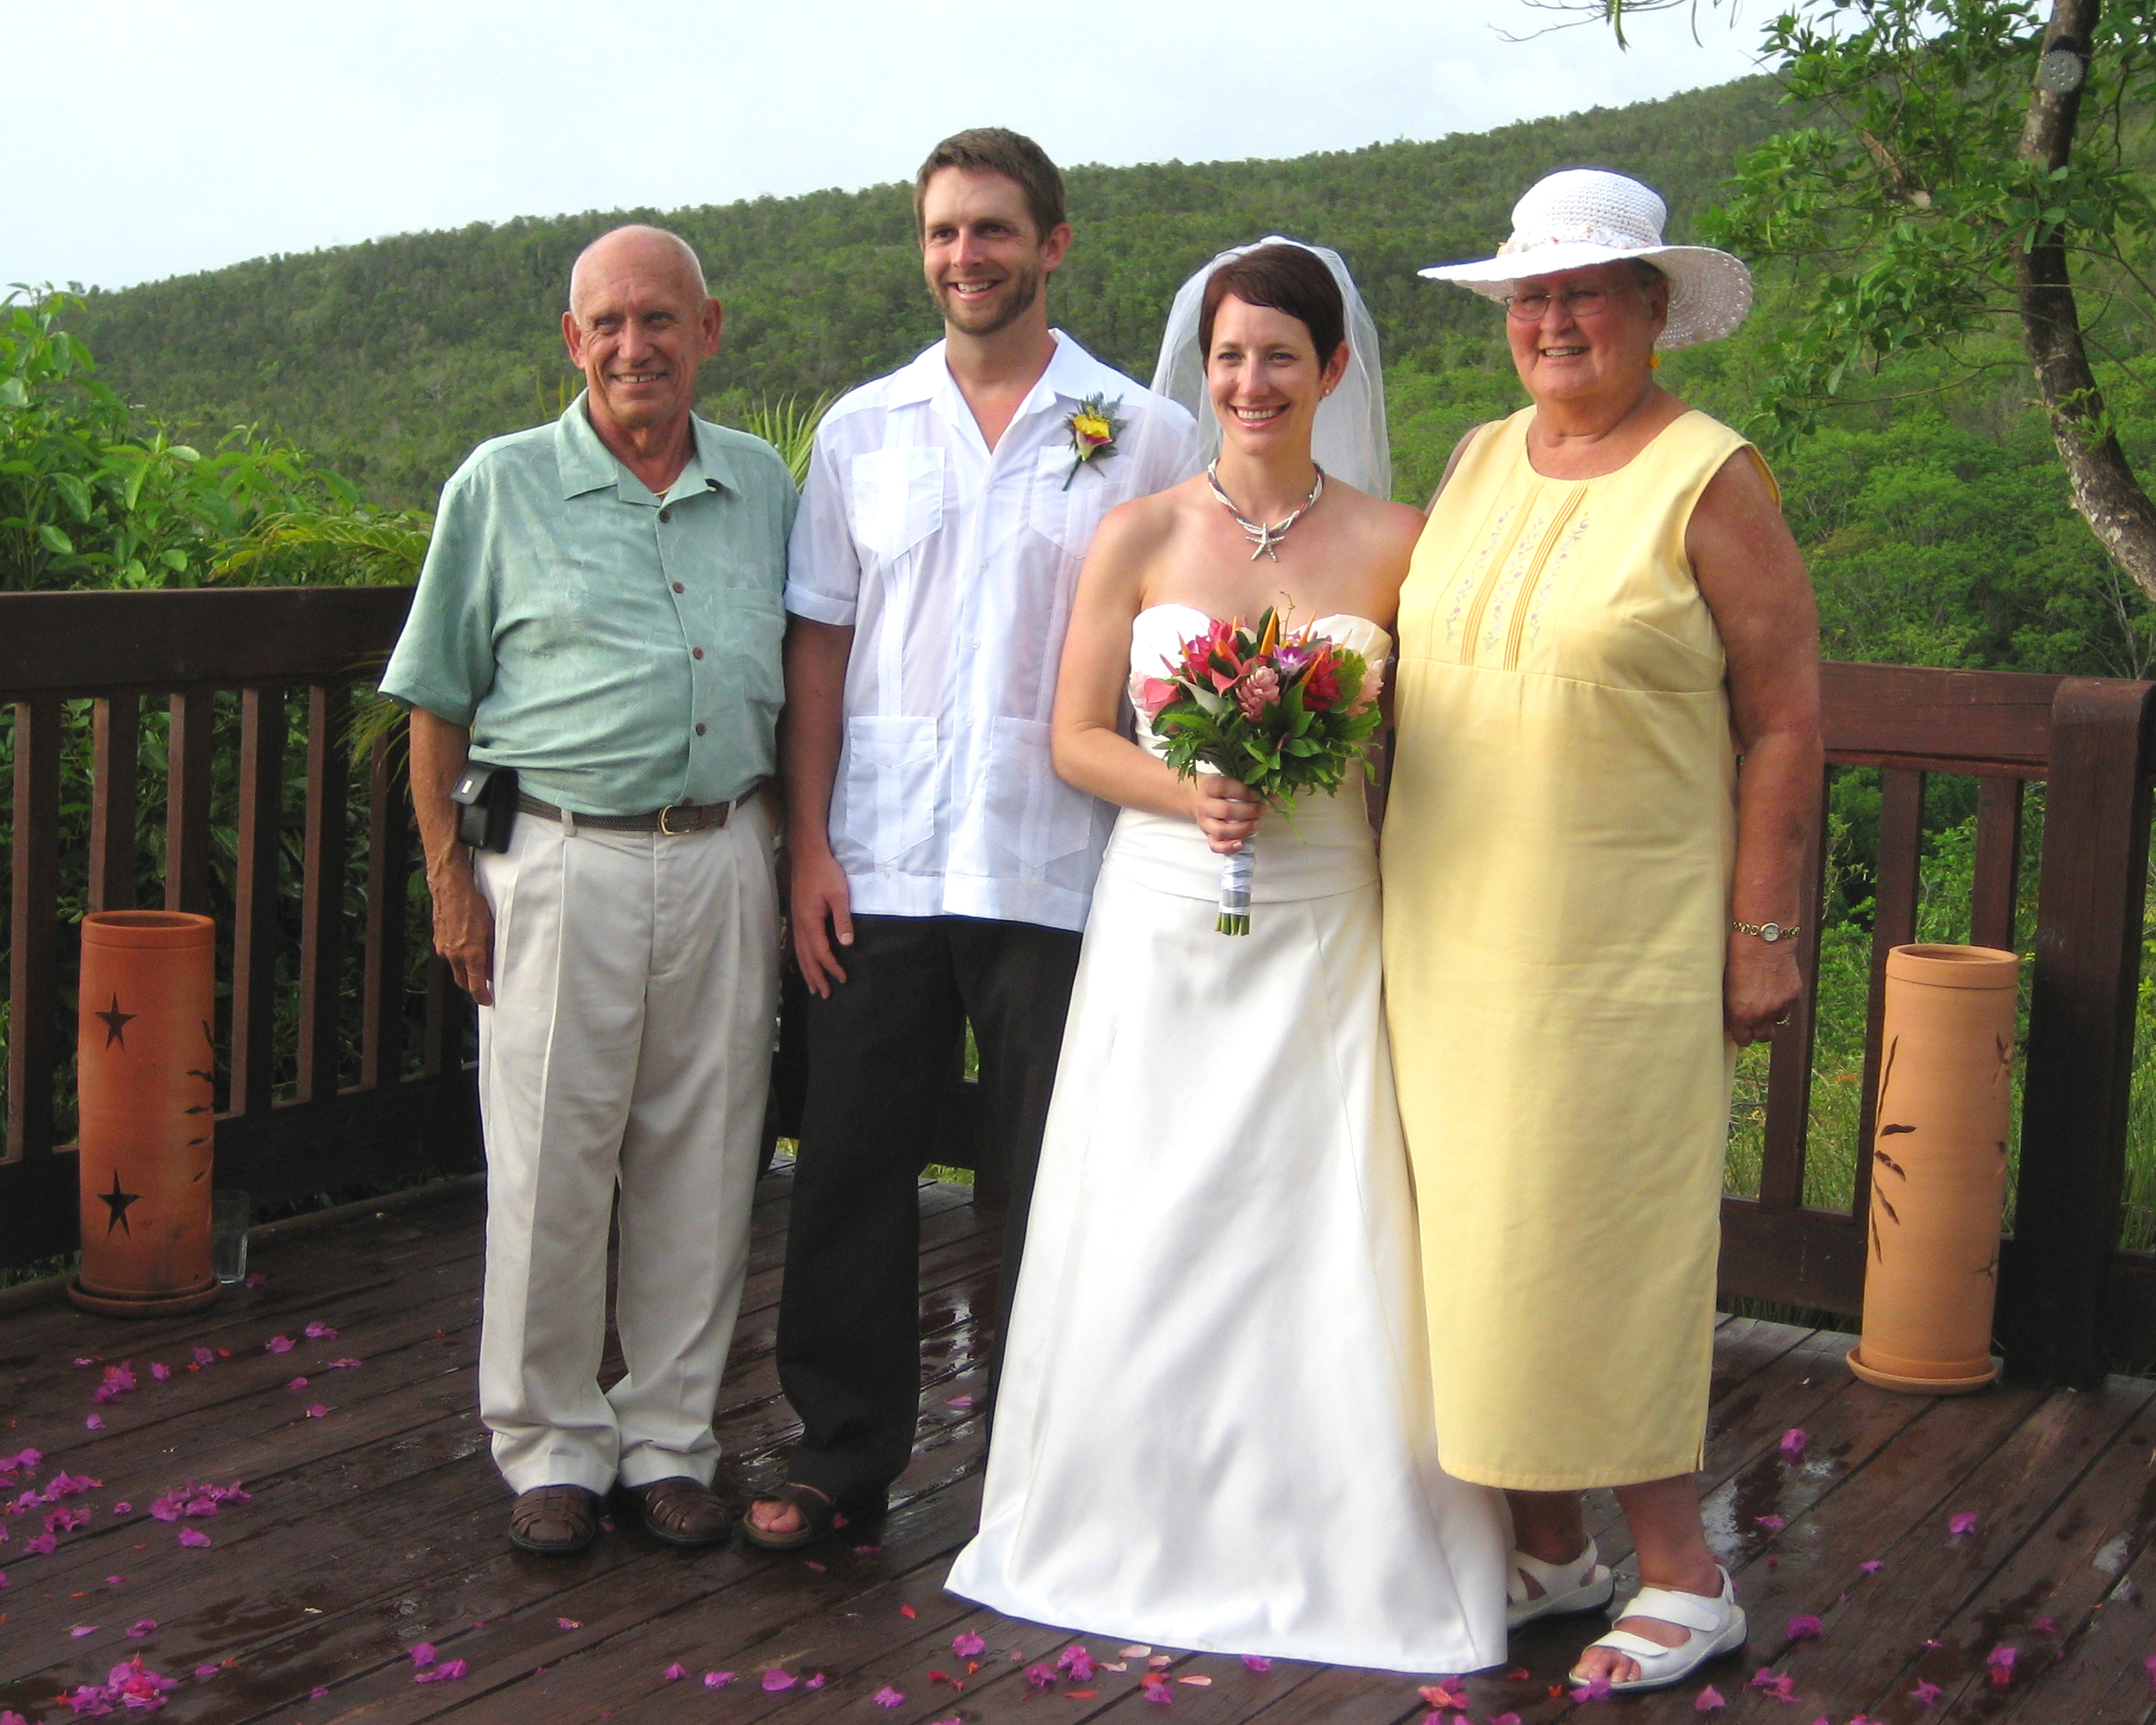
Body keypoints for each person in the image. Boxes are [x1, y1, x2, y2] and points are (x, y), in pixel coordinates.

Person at [945, 241, 1508, 1671]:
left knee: (1318, 1216)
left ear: (1334, 369)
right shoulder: (1138, 534)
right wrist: (1185, 789)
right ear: (1204, 370)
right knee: (1155, 1205)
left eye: (1281, 357)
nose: (1252, 381)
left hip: (1326, 918)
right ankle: (1121, 1516)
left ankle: (1333, 1529)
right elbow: (1075, 738)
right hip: (1162, 919)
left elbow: (1437, 756)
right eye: (1231, 356)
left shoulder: (1401, 544)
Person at [1385, 169, 1822, 1691]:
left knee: (1604, 1238)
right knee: (1473, 1239)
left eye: (1585, 291)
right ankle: (1551, 1547)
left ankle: (1686, 1572)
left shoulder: (1711, 476)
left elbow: (1785, 717)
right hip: (1445, 932)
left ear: (1652, 307)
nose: (1554, 319)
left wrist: (1764, 925)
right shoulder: (1473, 457)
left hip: (1619, 943)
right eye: (1532, 295)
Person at [747, 129, 1198, 1549]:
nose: (967, 256)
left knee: (1052, 1178)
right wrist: (808, 846)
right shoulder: (862, 430)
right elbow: (821, 646)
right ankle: (843, 1450)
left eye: (994, 229)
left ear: (1052, 243)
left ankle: (1044, 1465)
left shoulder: (1143, 433)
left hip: (1058, 864)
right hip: (876, 862)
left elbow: (1174, 652)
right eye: (944, 231)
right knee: (849, 1164)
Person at [382, 225, 793, 1556]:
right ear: (573, 340)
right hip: (560, 858)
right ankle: (551, 1444)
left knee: (706, 1154)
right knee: (550, 1162)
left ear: (707, 329)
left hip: (726, 851)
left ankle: (669, 1438)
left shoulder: (762, 484)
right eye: (607, 323)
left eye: (660, 318)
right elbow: (436, 703)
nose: (634, 345)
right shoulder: (500, 486)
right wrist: (451, 882)